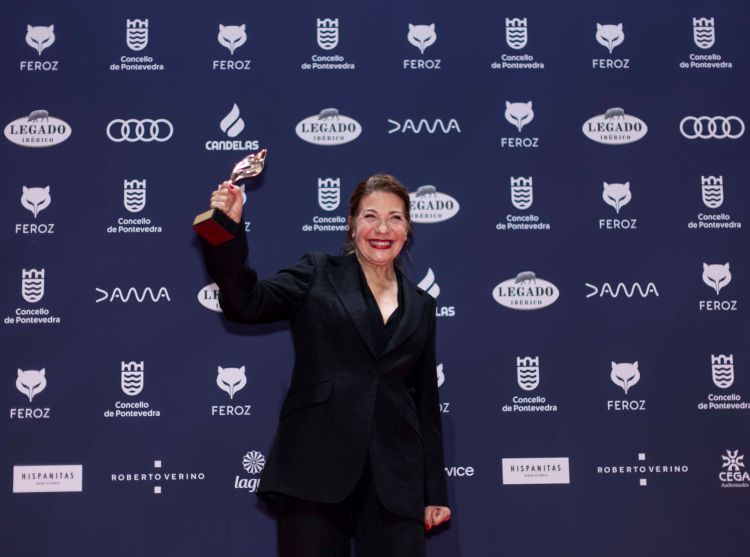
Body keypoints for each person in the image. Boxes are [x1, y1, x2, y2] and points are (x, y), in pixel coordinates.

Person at [201, 174, 451, 556]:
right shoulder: (317, 272)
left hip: (395, 474)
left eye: (395, 218)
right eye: (370, 216)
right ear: (351, 224)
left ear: (408, 229)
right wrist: (226, 227)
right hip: (314, 463)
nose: (382, 229)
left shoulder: (422, 304)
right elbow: (245, 302)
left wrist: (433, 491)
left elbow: (425, 402)